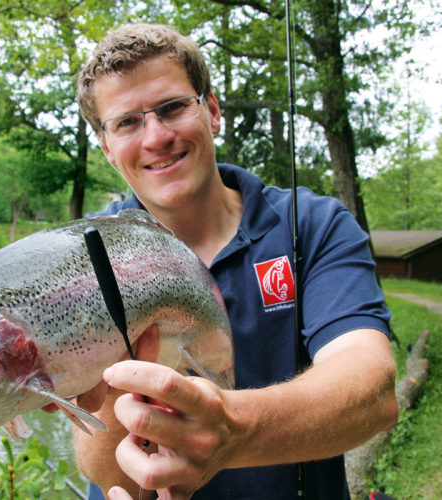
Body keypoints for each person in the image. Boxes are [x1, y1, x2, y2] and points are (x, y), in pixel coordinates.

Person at [71, 23, 398, 500]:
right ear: (106, 147)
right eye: (127, 122)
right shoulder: (85, 257)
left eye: (173, 108)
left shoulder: (313, 224)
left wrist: (233, 432)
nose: (157, 136)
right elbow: (106, 471)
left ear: (213, 111)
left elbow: (371, 389)